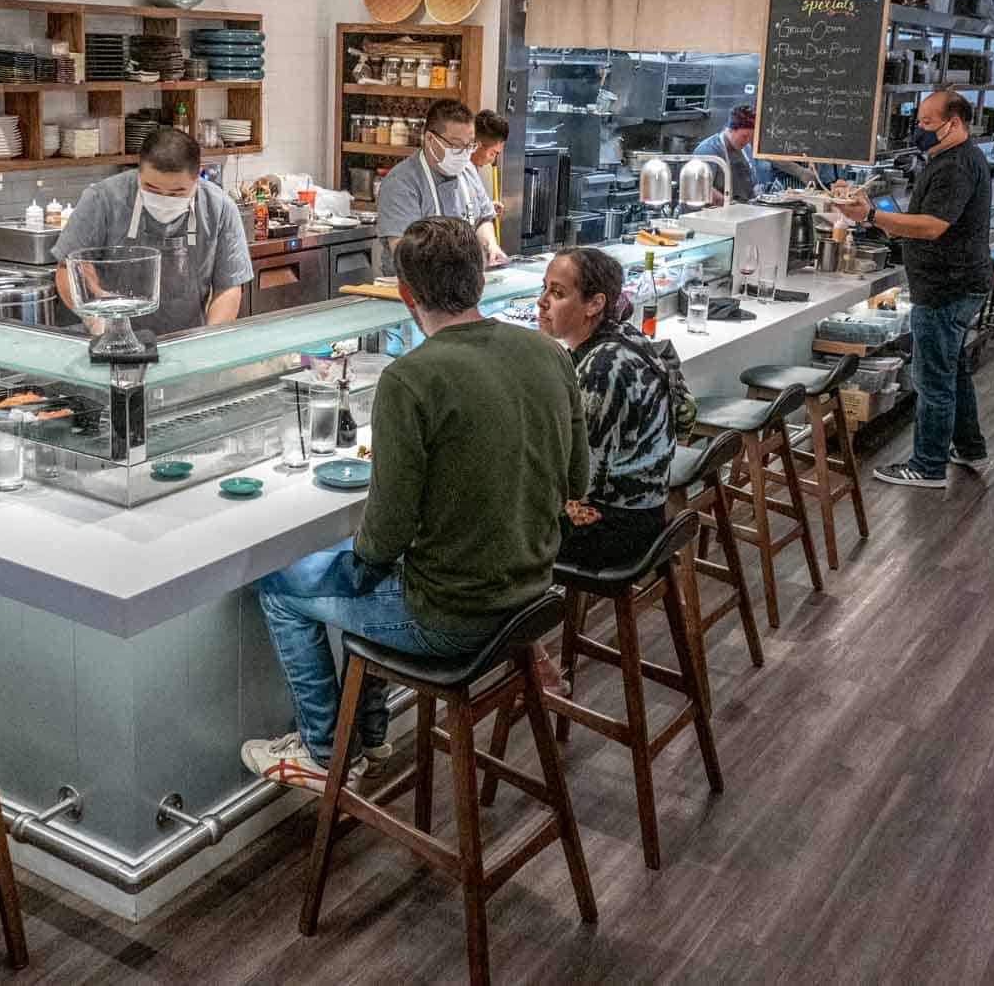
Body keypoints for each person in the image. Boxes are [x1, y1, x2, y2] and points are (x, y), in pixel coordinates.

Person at [241, 217, 587, 790]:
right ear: (479, 278)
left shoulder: (411, 378)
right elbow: (577, 477)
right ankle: (372, 735)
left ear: (405, 294)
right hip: (531, 595)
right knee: (363, 571)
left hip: (452, 619)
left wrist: (360, 563)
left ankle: (327, 753)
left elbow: (387, 533)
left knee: (281, 586)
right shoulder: (548, 353)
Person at [836, 89, 993, 487]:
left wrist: (872, 215)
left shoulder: (955, 166)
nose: (919, 130)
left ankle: (927, 466)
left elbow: (933, 226)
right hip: (958, 283)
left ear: (952, 123)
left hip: (946, 288)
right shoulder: (952, 158)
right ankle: (970, 447)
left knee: (932, 380)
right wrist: (876, 217)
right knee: (953, 371)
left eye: (926, 123)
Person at [536, 248, 677, 567]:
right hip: (645, 507)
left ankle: (519, 615)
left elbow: (579, 479)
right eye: (543, 288)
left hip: (617, 528)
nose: (542, 301)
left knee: (493, 525)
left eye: (557, 292)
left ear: (595, 303)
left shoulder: (601, 370)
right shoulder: (624, 335)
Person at [53, 127, 252, 334]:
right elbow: (67, 269)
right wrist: (96, 319)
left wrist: (210, 339)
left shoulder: (219, 208)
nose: (164, 198)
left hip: (186, 343)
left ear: (197, 177)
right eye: (152, 189)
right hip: (109, 341)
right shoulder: (102, 199)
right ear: (139, 171)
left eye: (177, 193)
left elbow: (228, 287)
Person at [374, 98, 508, 268]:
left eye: (470, 146)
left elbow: (482, 219)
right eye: (457, 145)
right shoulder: (401, 183)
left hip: (464, 279)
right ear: (430, 139)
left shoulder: (468, 170)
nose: (464, 153)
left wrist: (491, 246)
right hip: (416, 288)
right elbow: (404, 253)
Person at [692, 105, 820, 203]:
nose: (747, 140)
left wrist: (800, 172)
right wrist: (730, 205)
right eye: (744, 136)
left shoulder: (745, 147)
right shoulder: (708, 150)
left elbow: (768, 156)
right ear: (730, 129)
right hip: (713, 215)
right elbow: (702, 188)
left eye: (751, 136)